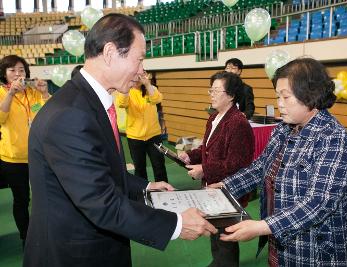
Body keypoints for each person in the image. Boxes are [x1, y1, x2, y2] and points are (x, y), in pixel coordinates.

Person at [23, 14, 217, 267]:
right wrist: (178, 224)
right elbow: (101, 203)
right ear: (110, 52)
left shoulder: (88, 103)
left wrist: (145, 187)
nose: (141, 70)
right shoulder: (71, 115)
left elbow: (99, 172)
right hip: (74, 255)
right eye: (139, 59)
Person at [210, 58, 347, 266]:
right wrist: (226, 186)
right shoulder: (283, 129)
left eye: (286, 97)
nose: (279, 103)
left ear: (310, 95)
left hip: (316, 252)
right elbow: (260, 167)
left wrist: (261, 227)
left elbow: (318, 203)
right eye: (278, 96)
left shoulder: (335, 139)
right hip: (282, 244)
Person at [179, 71, 255, 267]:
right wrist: (191, 155)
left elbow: (237, 164)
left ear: (230, 95)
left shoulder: (238, 123)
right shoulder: (214, 117)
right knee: (215, 230)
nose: (211, 94)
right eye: (210, 90)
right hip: (213, 188)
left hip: (229, 190)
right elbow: (206, 148)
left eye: (216, 90)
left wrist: (204, 169)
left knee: (226, 235)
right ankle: (220, 262)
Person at [0, 55, 49, 248]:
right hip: (13, 158)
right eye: (12, 70)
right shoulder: (2, 93)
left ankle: (46, 231)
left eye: (21, 69)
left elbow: (47, 115)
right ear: (4, 73)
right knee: (22, 200)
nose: (17, 74)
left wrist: (44, 94)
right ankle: (26, 237)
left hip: (38, 155)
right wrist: (11, 94)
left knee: (44, 195)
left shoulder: (33, 92)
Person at [116, 71, 168, 182]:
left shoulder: (151, 88)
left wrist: (147, 84)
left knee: (159, 166)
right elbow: (122, 103)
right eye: (134, 76)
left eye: (139, 76)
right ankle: (142, 193)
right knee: (139, 169)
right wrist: (126, 85)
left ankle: (164, 191)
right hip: (135, 137)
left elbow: (157, 99)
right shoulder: (127, 91)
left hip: (154, 135)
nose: (137, 78)